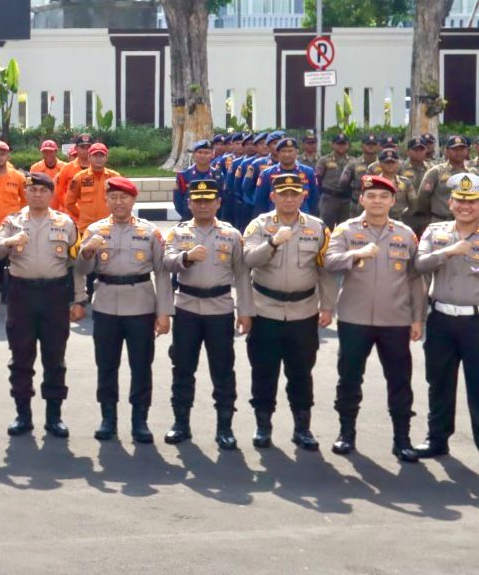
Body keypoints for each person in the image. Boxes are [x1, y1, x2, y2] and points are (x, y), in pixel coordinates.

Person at [323, 174, 425, 461]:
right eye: (372, 196)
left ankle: (402, 438)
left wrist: (418, 318)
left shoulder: (405, 234)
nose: (377, 201)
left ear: (393, 201)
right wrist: (355, 254)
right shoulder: (345, 230)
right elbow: (329, 262)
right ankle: (346, 433)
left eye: (384, 197)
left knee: (400, 380)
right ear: (362, 199)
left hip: (395, 319)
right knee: (349, 378)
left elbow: (415, 279)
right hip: (354, 318)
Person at [239, 171, 334, 450]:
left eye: (295, 194)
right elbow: (247, 260)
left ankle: (302, 428)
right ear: (273, 196)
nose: (289, 198)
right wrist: (273, 242)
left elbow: (325, 271)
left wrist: (327, 306)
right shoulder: (259, 225)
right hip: (265, 311)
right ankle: (263, 426)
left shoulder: (317, 228)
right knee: (264, 371)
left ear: (304, 196)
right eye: (284, 194)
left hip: (303, 312)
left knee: (301, 372)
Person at [75, 176, 170, 443]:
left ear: (132, 200)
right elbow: (80, 272)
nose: (118, 202)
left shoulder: (150, 232)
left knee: (141, 365)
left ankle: (140, 420)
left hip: (140, 305)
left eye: (123, 197)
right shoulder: (95, 230)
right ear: (106, 200)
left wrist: (163, 313)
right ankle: (108, 418)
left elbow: (162, 274)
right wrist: (86, 254)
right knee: (106, 365)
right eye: (113, 197)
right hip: (105, 304)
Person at [0, 171, 82, 439]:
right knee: (21, 356)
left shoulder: (65, 223)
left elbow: (75, 266)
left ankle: (54, 416)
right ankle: (23, 414)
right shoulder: (12, 222)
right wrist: (9, 241)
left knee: (55, 357)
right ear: (25, 193)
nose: (37, 195)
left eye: (43, 191)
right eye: (32, 190)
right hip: (21, 295)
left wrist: (79, 300)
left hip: (54, 295)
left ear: (51, 194)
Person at [161, 178, 248, 449]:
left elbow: (243, 275)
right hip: (186, 306)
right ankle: (181, 423)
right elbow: (166, 262)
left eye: (208, 200)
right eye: (197, 200)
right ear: (188, 203)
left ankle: (225, 428)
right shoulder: (178, 233)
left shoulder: (231, 235)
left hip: (220, 308)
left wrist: (245, 312)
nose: (202, 205)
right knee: (182, 367)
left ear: (218, 203)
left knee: (223, 370)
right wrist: (185, 258)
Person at [413, 173, 479, 458]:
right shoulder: (435, 231)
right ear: (450, 202)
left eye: (473, 201)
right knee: (439, 382)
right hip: (440, 319)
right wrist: (449, 252)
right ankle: (437, 439)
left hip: (475, 322)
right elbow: (419, 264)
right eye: (461, 200)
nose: (466, 206)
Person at [64, 143, 119, 229]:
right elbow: (69, 203)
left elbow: (123, 200)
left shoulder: (115, 177)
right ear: (89, 157)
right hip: (86, 228)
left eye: (101, 155)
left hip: (110, 227)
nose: (98, 158)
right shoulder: (79, 178)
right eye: (95, 155)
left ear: (106, 158)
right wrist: (81, 214)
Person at [173, 140, 216, 220]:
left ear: (212, 155)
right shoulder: (183, 175)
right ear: (194, 154)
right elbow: (178, 201)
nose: (202, 155)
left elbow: (222, 199)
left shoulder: (218, 175)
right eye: (199, 152)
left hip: (213, 219)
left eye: (206, 153)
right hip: (189, 218)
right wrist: (186, 215)